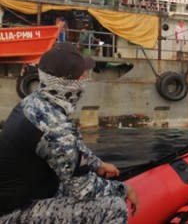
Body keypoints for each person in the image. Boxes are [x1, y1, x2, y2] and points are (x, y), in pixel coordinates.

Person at [0, 43, 138, 223]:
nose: (86, 79)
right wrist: (125, 189)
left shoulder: (35, 102)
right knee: (115, 207)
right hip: (13, 213)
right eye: (82, 76)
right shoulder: (55, 126)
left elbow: (68, 146)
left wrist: (97, 164)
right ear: (69, 84)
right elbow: (85, 189)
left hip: (27, 193)